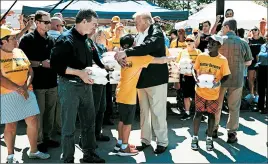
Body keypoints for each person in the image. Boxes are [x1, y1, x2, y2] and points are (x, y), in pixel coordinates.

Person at [50, 9, 105, 163]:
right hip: (69, 86)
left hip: (86, 86)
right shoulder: (65, 39)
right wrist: (79, 73)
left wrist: (105, 68)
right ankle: (68, 159)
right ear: (84, 21)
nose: (95, 27)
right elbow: (56, 65)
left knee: (89, 122)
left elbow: (95, 57)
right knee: (69, 127)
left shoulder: (87, 39)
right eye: (93, 24)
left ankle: (89, 154)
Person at [115, 12, 169, 154]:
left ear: (146, 21)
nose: (135, 24)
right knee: (144, 112)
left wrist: (127, 52)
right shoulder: (139, 34)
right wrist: (122, 55)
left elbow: (149, 46)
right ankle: (145, 140)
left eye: (137, 22)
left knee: (158, 112)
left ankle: (162, 142)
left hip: (156, 79)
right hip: (142, 80)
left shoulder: (156, 31)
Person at [0, 25, 50, 163]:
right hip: (8, 94)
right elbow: (1, 78)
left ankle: (33, 151)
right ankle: (10, 155)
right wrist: (18, 88)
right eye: (13, 38)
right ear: (3, 41)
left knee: (33, 121)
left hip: (27, 91)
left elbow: (30, 71)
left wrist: (25, 86)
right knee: (11, 126)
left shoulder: (20, 51)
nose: (16, 40)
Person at [19, 10, 59, 153]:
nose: (49, 24)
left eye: (49, 22)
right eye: (46, 22)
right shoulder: (27, 39)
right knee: (38, 115)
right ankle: (39, 141)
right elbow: (23, 63)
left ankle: (47, 137)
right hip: (36, 84)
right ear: (37, 22)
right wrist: (41, 64)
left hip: (52, 82)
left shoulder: (51, 40)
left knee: (50, 113)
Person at [214, 18, 253, 143]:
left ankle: (213, 129)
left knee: (217, 105)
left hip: (219, 78)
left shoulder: (219, 41)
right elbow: (249, 61)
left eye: (222, 27)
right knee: (234, 107)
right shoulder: (243, 42)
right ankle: (231, 133)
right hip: (237, 78)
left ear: (226, 27)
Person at [191, 35, 231, 151]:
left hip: (213, 93)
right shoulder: (201, 56)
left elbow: (227, 75)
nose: (209, 45)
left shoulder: (222, 60)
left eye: (213, 43)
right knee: (198, 114)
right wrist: (196, 79)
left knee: (211, 115)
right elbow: (194, 69)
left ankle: (209, 138)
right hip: (200, 91)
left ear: (219, 45)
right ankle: (195, 138)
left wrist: (218, 84)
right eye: (209, 42)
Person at [175, 35, 202, 120]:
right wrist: (180, 66)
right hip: (185, 77)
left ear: (194, 42)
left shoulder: (198, 52)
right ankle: (187, 113)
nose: (189, 42)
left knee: (197, 96)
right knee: (186, 96)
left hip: (196, 78)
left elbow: (202, 64)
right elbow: (176, 63)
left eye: (191, 40)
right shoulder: (182, 52)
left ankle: (199, 113)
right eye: (187, 40)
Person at [245, 27, 265, 104]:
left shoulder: (262, 40)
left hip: (260, 62)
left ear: (258, 31)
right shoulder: (249, 40)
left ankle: (257, 95)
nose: (253, 31)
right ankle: (251, 93)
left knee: (257, 79)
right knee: (250, 78)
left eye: (255, 30)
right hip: (251, 61)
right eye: (252, 30)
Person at [256, 33, 268, 114]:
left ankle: (267, 107)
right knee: (260, 88)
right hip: (261, 68)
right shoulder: (263, 46)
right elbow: (259, 55)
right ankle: (260, 106)